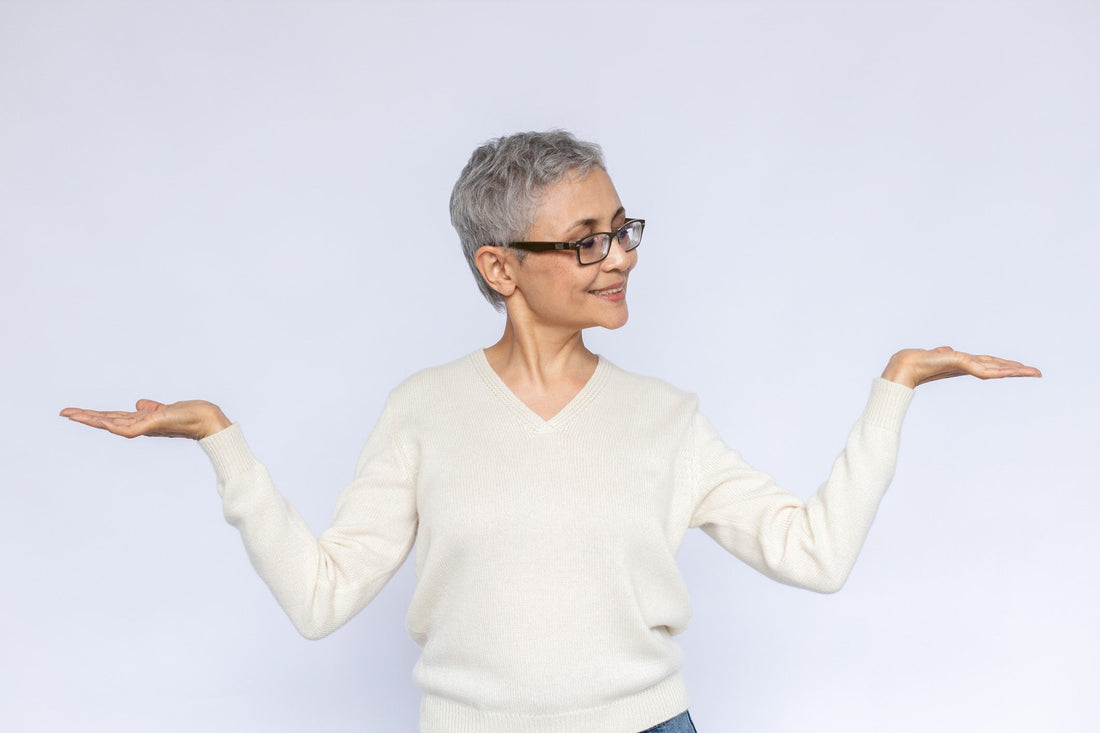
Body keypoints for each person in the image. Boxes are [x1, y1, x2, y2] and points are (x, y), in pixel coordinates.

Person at [60, 130, 1041, 733]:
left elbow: (814, 555)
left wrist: (894, 388)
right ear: (499, 266)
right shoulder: (423, 409)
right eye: (584, 241)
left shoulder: (666, 421)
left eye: (621, 230)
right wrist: (223, 444)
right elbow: (320, 599)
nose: (617, 258)